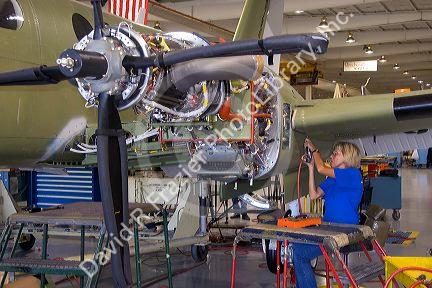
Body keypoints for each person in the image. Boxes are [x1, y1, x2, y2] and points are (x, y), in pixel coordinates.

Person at [292, 139, 363, 288]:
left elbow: (321, 169)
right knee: (298, 248)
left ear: (347, 157)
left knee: (299, 253)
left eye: (336, 154)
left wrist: (314, 150)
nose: (331, 156)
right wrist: (311, 168)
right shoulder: (333, 180)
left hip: (343, 231)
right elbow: (313, 195)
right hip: (330, 229)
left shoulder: (352, 174)